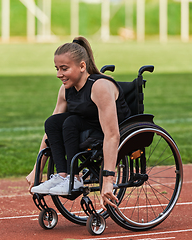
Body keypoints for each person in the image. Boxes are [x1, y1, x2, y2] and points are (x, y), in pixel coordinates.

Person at [26, 36, 131, 209]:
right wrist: (36, 170)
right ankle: (63, 175)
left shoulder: (100, 87)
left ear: (82, 66)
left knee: (70, 123)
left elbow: (112, 135)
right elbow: (50, 133)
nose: (59, 74)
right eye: (57, 69)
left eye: (64, 69)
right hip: (87, 128)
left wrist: (108, 180)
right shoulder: (66, 90)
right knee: (53, 123)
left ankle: (74, 178)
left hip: (111, 131)